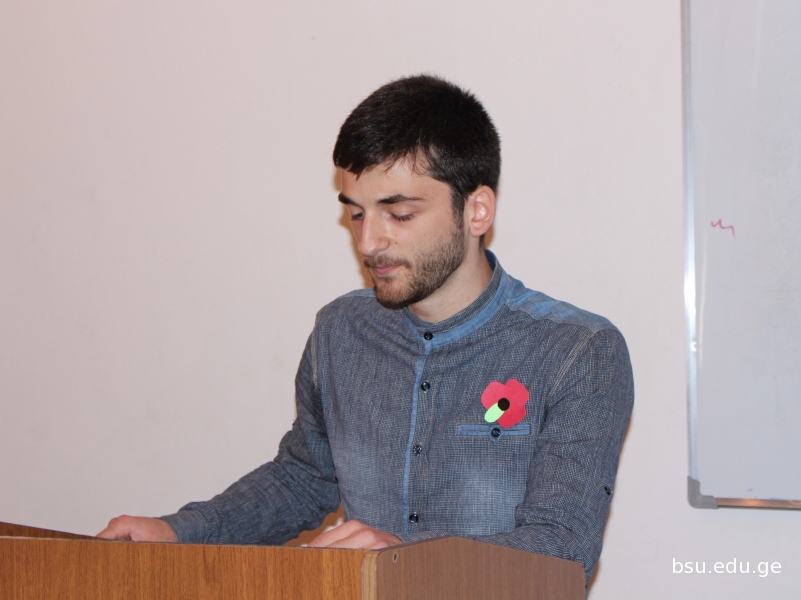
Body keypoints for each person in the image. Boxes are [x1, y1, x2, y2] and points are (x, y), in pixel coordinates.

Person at [98, 74, 634, 582]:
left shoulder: (577, 351)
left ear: (477, 211)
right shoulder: (340, 331)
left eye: (398, 214)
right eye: (356, 214)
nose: (369, 243)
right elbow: (303, 479)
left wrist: (406, 557)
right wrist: (180, 532)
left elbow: (562, 549)